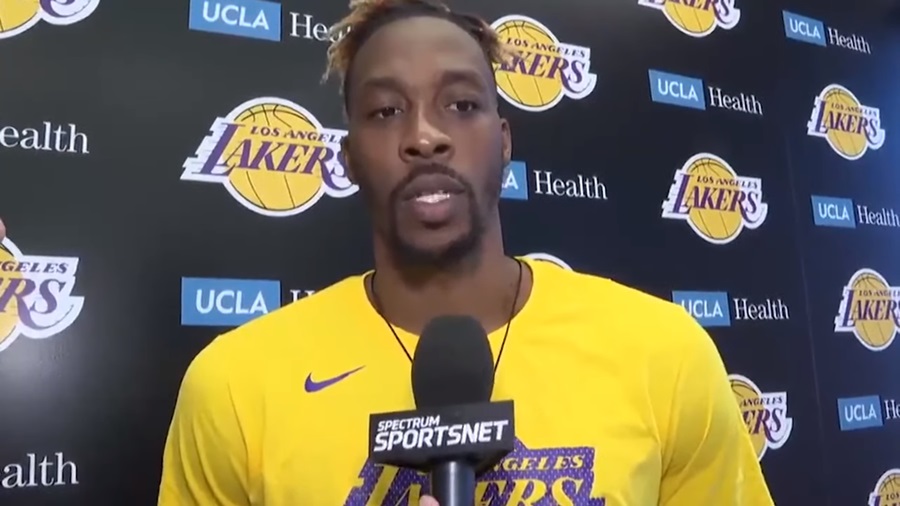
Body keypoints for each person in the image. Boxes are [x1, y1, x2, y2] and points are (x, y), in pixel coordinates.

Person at [156, 0, 775, 505]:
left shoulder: (664, 353)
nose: (425, 136)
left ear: (504, 142)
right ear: (347, 159)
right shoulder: (234, 387)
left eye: (461, 105)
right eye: (386, 110)